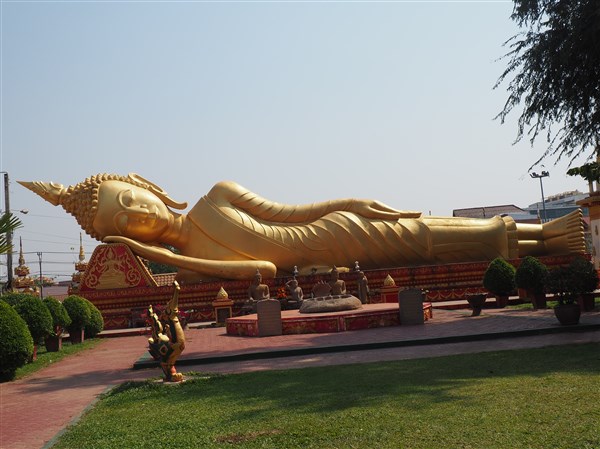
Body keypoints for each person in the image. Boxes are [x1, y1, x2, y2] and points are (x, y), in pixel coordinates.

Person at [19, 173, 587, 282]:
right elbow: (265, 268)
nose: (140, 216)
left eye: (131, 200)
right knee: (422, 245)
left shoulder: (217, 196)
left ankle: (547, 235)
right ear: (127, 239)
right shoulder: (192, 271)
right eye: (125, 225)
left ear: (145, 185)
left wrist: (353, 201)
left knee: (419, 229)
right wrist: (167, 256)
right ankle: (545, 242)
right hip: (330, 258)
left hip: (337, 229)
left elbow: (291, 213)